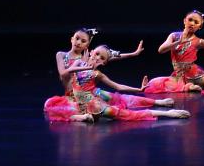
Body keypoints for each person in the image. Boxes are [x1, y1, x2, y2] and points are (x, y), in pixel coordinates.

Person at [43, 45, 190, 122]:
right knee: (55, 108)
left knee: (123, 107)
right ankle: (83, 117)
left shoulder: (98, 74)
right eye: (96, 54)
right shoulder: (79, 62)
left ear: (104, 62)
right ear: (91, 52)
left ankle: (163, 109)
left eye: (102, 58)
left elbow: (118, 86)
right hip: (78, 100)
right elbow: (68, 70)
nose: (97, 58)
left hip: (93, 100)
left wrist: (139, 89)